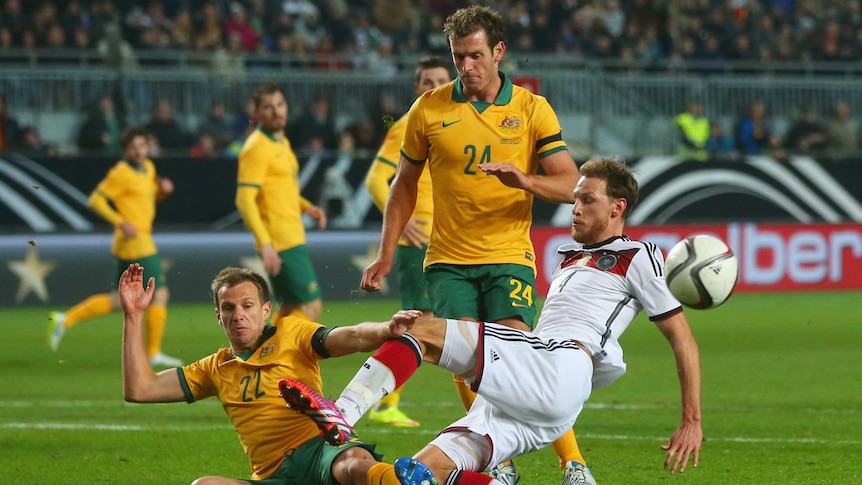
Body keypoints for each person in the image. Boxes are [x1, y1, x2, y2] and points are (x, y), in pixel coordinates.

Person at [292, 157, 703, 485]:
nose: (574, 209)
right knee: (415, 477)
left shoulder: (639, 255)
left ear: (618, 207)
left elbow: (682, 339)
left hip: (560, 368)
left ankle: (341, 413)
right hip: (541, 401)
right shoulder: (570, 257)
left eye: (587, 200)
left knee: (418, 328)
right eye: (574, 199)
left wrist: (691, 422)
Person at [359, 5, 586, 484]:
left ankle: (573, 463)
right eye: (459, 56)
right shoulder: (429, 108)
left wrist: (524, 179)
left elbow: (571, 183)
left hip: (508, 255)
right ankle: (499, 460)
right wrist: (385, 252)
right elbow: (402, 185)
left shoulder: (530, 109)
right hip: (448, 262)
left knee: (521, 365)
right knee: (471, 367)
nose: (467, 66)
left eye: (476, 55)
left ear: (498, 52)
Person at [119, 263, 427, 485]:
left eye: (247, 305)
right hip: (272, 476)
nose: (238, 314)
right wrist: (133, 316)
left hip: (324, 448)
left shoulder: (291, 332)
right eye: (228, 308)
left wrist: (386, 329)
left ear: (265, 310)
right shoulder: (214, 368)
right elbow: (140, 389)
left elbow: (353, 336)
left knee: (355, 468)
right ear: (218, 316)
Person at [363, 56, 452, 428]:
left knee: (436, 324)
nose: (433, 86)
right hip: (419, 242)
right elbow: (375, 179)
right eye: (427, 80)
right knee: (419, 323)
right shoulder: (407, 124)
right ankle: (379, 401)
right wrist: (401, 223)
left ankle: (378, 399)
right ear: (417, 87)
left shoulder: (449, 121)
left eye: (440, 80)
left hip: (447, 239)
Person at [49, 127, 182, 368]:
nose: (139, 151)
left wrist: (162, 191)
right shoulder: (120, 172)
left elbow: (145, 198)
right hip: (136, 244)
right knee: (160, 294)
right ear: (125, 150)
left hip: (136, 242)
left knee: (118, 300)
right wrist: (121, 222)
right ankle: (153, 352)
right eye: (133, 147)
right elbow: (95, 200)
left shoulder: (148, 168)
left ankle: (65, 319)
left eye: (142, 145)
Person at [236, 82, 327, 321]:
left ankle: (266, 358)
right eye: (268, 107)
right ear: (256, 113)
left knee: (289, 310)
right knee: (310, 307)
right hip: (280, 241)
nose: (277, 111)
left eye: (280, 104)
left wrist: (307, 206)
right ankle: (285, 359)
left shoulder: (281, 142)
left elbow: (281, 189)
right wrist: (265, 243)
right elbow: (244, 200)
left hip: (291, 235)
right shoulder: (257, 147)